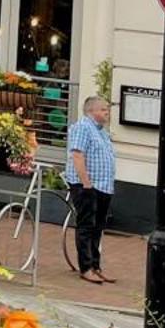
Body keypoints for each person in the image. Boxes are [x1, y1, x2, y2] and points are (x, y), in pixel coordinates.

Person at [64, 95, 116, 285]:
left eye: (107, 109)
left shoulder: (102, 132)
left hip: (103, 187)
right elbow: (77, 155)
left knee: (98, 228)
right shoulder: (83, 127)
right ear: (91, 111)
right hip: (87, 185)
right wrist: (86, 183)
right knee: (86, 226)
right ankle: (86, 267)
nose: (107, 112)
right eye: (103, 109)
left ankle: (96, 266)